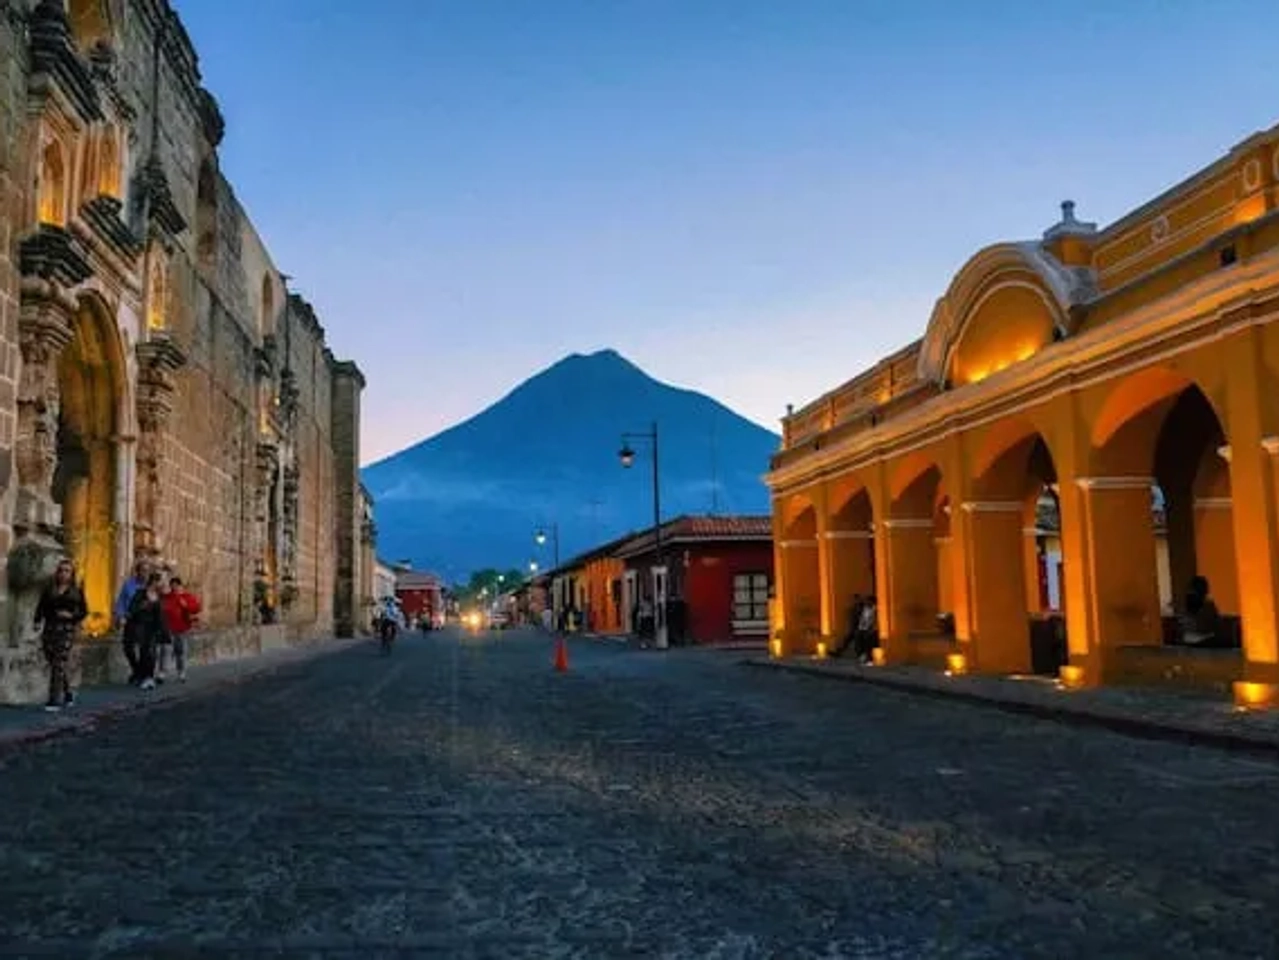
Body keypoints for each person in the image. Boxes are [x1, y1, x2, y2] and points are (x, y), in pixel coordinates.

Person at [34, 558, 88, 711]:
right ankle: (68, 692)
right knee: (53, 662)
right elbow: (41, 606)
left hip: (66, 630)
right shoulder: (49, 589)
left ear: (72, 574)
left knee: (58, 663)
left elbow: (84, 611)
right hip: (50, 628)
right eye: (61, 570)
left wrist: (71, 616)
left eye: (67, 571)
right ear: (57, 573)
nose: (64, 574)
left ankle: (53, 699)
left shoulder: (76, 591)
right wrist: (37, 621)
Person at [125, 572, 167, 690]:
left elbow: (160, 615)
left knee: (151, 653)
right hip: (140, 626)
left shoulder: (159, 596)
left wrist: (161, 630)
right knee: (143, 652)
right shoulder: (140, 593)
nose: (161, 584)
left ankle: (149, 678)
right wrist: (142, 606)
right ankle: (142, 676)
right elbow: (131, 609)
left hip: (153, 628)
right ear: (154, 582)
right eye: (160, 582)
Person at [113, 558, 151, 684]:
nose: (145, 573)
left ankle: (140, 674)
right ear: (137, 571)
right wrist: (119, 615)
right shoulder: (128, 584)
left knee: (143, 649)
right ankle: (137, 670)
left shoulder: (151, 586)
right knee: (127, 647)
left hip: (145, 621)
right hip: (131, 619)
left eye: (147, 571)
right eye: (142, 571)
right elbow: (121, 601)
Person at [161, 575, 202, 682]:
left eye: (176, 586)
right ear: (170, 586)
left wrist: (186, 606)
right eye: (172, 586)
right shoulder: (166, 597)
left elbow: (197, 609)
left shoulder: (187, 596)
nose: (174, 588)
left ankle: (181, 673)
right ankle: (162, 673)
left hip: (182, 629)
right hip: (168, 629)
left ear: (180, 586)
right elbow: (160, 609)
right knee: (166, 650)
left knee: (181, 651)